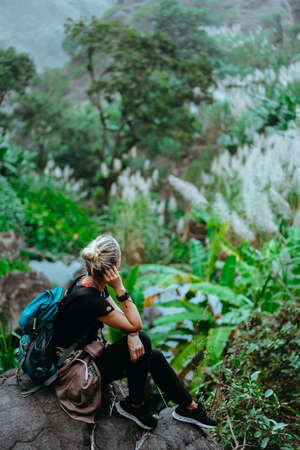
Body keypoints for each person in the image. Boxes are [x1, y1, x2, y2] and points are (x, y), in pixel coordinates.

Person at [53, 234, 218, 430]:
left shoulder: (87, 282)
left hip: (83, 357)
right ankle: (135, 406)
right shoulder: (90, 300)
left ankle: (189, 407)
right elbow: (136, 324)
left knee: (152, 355)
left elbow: (126, 321)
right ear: (116, 265)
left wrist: (131, 334)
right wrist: (120, 288)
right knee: (144, 341)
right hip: (75, 371)